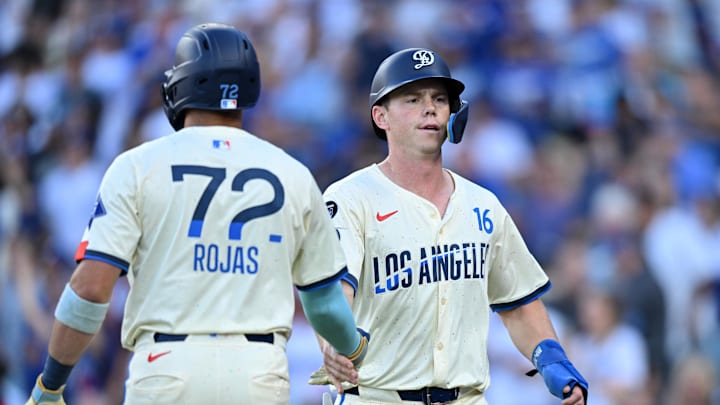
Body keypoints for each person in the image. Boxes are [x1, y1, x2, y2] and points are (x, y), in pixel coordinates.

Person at [25, 23, 368, 405]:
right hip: (258, 371)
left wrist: (51, 385)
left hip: (168, 365)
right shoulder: (293, 173)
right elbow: (324, 302)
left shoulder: (137, 165)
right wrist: (352, 351)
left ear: (181, 84)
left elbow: (90, 288)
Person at [315, 48, 588, 404]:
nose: (430, 108)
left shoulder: (482, 205)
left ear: (453, 115)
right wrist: (334, 341)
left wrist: (552, 359)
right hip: (376, 397)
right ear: (380, 116)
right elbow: (333, 291)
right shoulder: (350, 198)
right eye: (412, 99)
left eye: (439, 99)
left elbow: (517, 304)